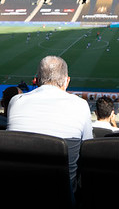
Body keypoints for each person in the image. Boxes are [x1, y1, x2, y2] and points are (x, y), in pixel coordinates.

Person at [7, 55, 93, 186]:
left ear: (36, 80)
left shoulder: (16, 101)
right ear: (67, 81)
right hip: (63, 197)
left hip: (19, 192)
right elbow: (88, 151)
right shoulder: (80, 105)